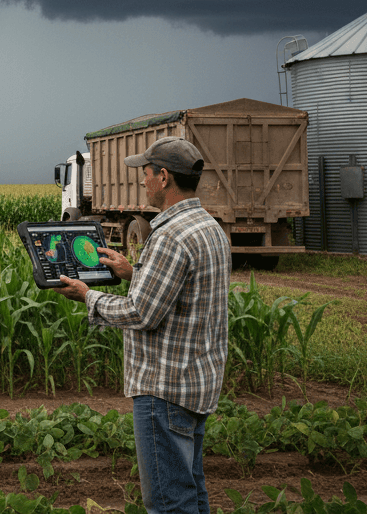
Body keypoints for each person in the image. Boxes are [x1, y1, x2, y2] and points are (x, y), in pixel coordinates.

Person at [52, 136, 230, 514]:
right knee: (192, 493)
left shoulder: (169, 236)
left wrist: (88, 295)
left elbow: (141, 313)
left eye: (145, 173)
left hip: (164, 390)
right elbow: (182, 294)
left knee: (169, 503)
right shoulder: (209, 228)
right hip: (196, 384)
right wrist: (134, 272)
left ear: (163, 177)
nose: (143, 181)